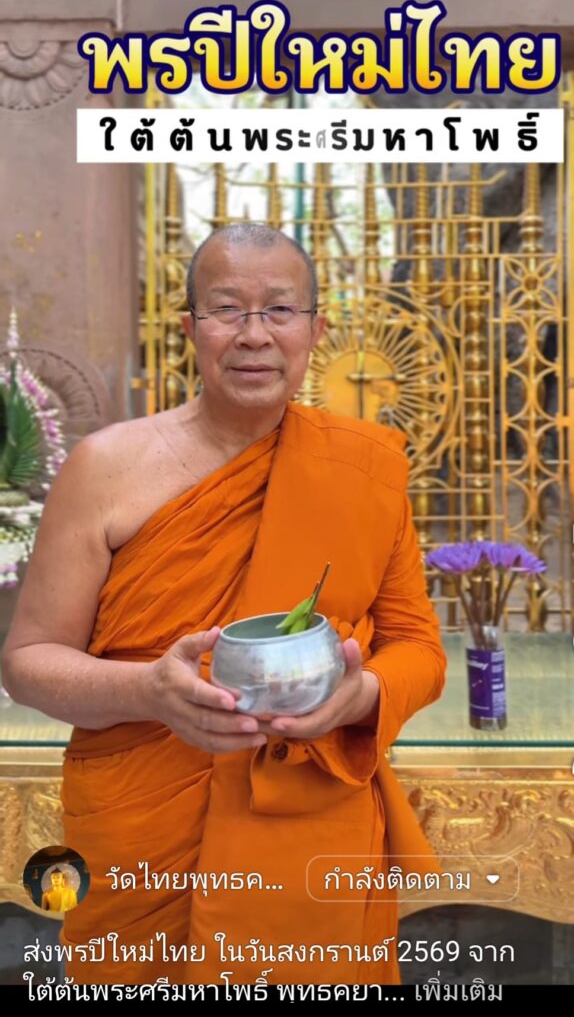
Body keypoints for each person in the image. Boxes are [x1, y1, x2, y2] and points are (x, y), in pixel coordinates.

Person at [2, 223, 447, 986]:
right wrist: (147, 690)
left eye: (279, 309)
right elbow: (28, 661)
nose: (254, 335)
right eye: (227, 309)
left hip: (307, 827)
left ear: (316, 329)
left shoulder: (363, 467)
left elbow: (418, 647)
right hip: (142, 835)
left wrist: (363, 694)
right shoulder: (105, 468)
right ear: (190, 328)